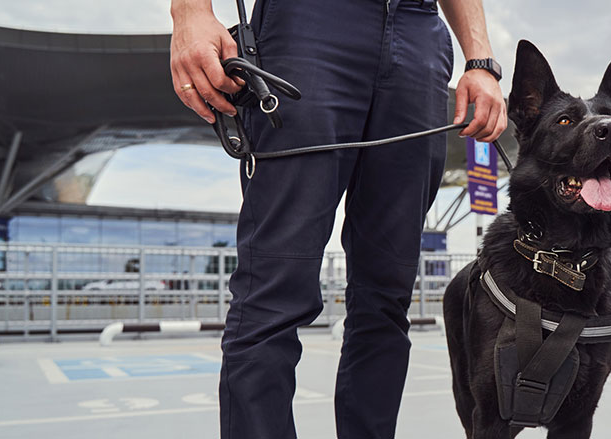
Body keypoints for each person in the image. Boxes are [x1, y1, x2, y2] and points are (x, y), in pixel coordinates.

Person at [169, 0, 507, 438]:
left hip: (418, 29)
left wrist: (480, 61)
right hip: (310, 22)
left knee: (386, 297)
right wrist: (190, 13)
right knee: (274, 288)